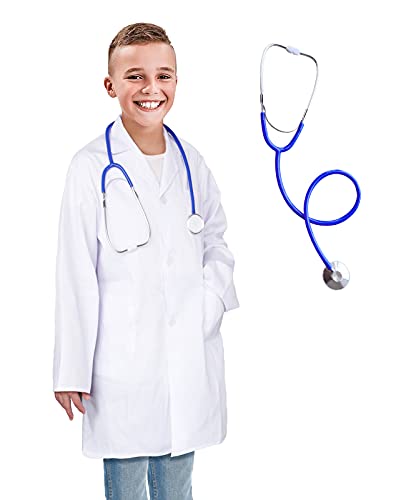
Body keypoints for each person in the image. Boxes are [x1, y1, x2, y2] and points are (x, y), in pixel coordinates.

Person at [53, 22, 239, 500]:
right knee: (127, 479)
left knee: (178, 482)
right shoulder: (90, 166)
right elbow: (75, 272)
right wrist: (71, 369)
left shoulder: (192, 162)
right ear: (110, 85)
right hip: (121, 360)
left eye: (164, 75)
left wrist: (210, 302)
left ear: (177, 81)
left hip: (187, 352)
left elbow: (216, 240)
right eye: (135, 76)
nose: (151, 88)